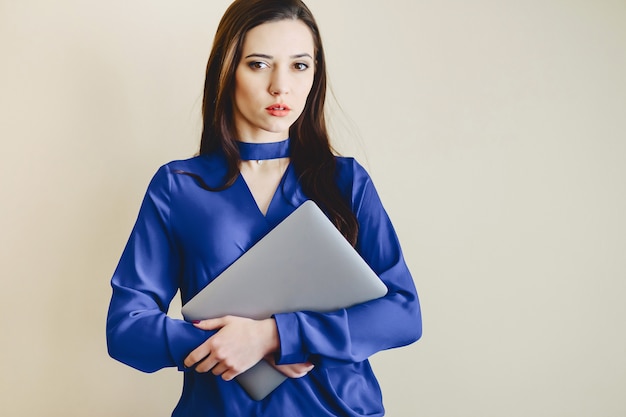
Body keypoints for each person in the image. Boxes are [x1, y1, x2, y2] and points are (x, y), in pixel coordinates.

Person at [106, 0, 422, 415]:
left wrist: (273, 336)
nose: (281, 86)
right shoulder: (178, 186)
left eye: (299, 65)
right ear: (227, 70)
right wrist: (222, 344)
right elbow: (126, 328)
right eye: (258, 64)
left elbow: (403, 313)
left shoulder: (346, 181)